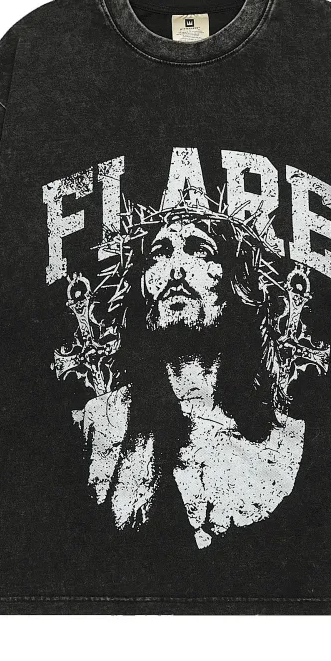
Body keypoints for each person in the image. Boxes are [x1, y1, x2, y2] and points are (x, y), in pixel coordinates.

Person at [79, 204, 305, 549]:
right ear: (142, 287)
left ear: (235, 284)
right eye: (159, 253)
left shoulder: (286, 438)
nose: (176, 270)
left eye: (200, 251)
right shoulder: (101, 421)